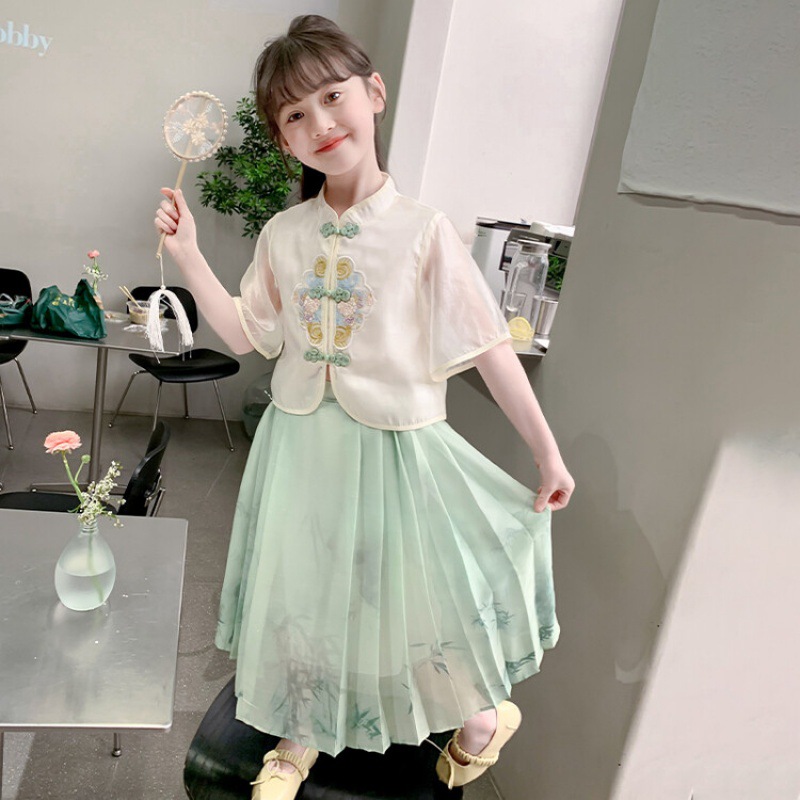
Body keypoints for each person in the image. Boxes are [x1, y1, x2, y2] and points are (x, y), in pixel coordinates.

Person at [155, 14, 574, 800]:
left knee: (416, 591)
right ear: (282, 139)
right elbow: (247, 334)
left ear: (373, 93)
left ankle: (481, 716)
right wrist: (187, 256)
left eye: (332, 96)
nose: (320, 123)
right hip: (300, 443)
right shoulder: (283, 233)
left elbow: (487, 344)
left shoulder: (424, 231)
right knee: (307, 591)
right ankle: (298, 736)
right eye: (294, 114)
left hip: (394, 448)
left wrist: (547, 452)